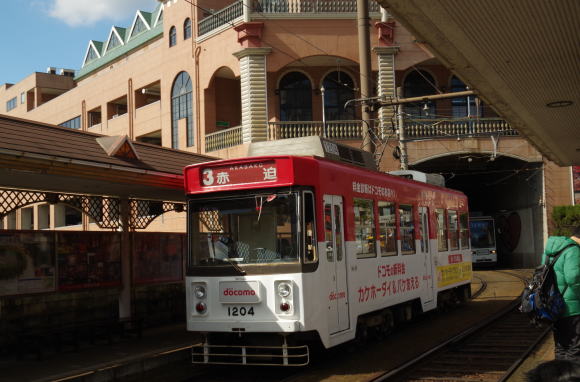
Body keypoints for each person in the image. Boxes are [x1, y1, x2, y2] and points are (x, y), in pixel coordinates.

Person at [542, 225, 580, 361]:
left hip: (554, 306)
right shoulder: (574, 250)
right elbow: (574, 278)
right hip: (573, 309)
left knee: (561, 346)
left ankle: (559, 376)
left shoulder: (550, 251)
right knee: (575, 348)